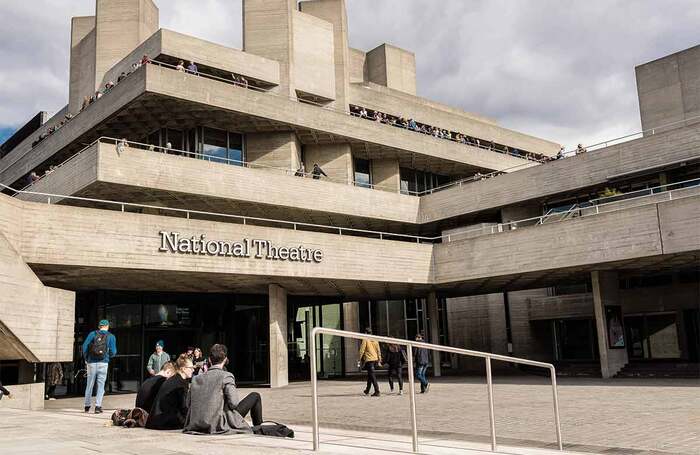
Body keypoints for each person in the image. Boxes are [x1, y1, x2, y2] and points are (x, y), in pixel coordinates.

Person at [184, 344, 263, 434]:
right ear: (225, 360)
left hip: (196, 423)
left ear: (209, 359)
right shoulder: (226, 376)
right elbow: (234, 403)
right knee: (255, 395)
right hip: (218, 423)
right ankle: (259, 427)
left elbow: (188, 404)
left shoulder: (196, 379)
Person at [145, 355, 194, 430]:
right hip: (163, 421)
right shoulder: (180, 383)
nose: (193, 370)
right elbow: (183, 407)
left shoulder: (173, 379)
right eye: (191, 368)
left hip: (154, 421)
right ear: (183, 369)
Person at [82, 319, 117, 413]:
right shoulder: (111, 336)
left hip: (91, 363)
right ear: (107, 326)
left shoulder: (92, 334)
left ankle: (87, 406)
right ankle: (98, 406)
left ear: (99, 326)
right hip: (103, 363)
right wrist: (108, 356)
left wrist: (86, 358)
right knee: (101, 385)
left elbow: (84, 346)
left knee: (89, 384)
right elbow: (113, 352)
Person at [358, 327, 382, 397]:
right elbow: (378, 350)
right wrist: (379, 359)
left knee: (372, 375)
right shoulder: (375, 339)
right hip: (375, 359)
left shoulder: (365, 339)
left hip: (369, 359)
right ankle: (367, 390)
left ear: (365, 332)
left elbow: (362, 350)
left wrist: (359, 358)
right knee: (370, 375)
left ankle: (377, 391)